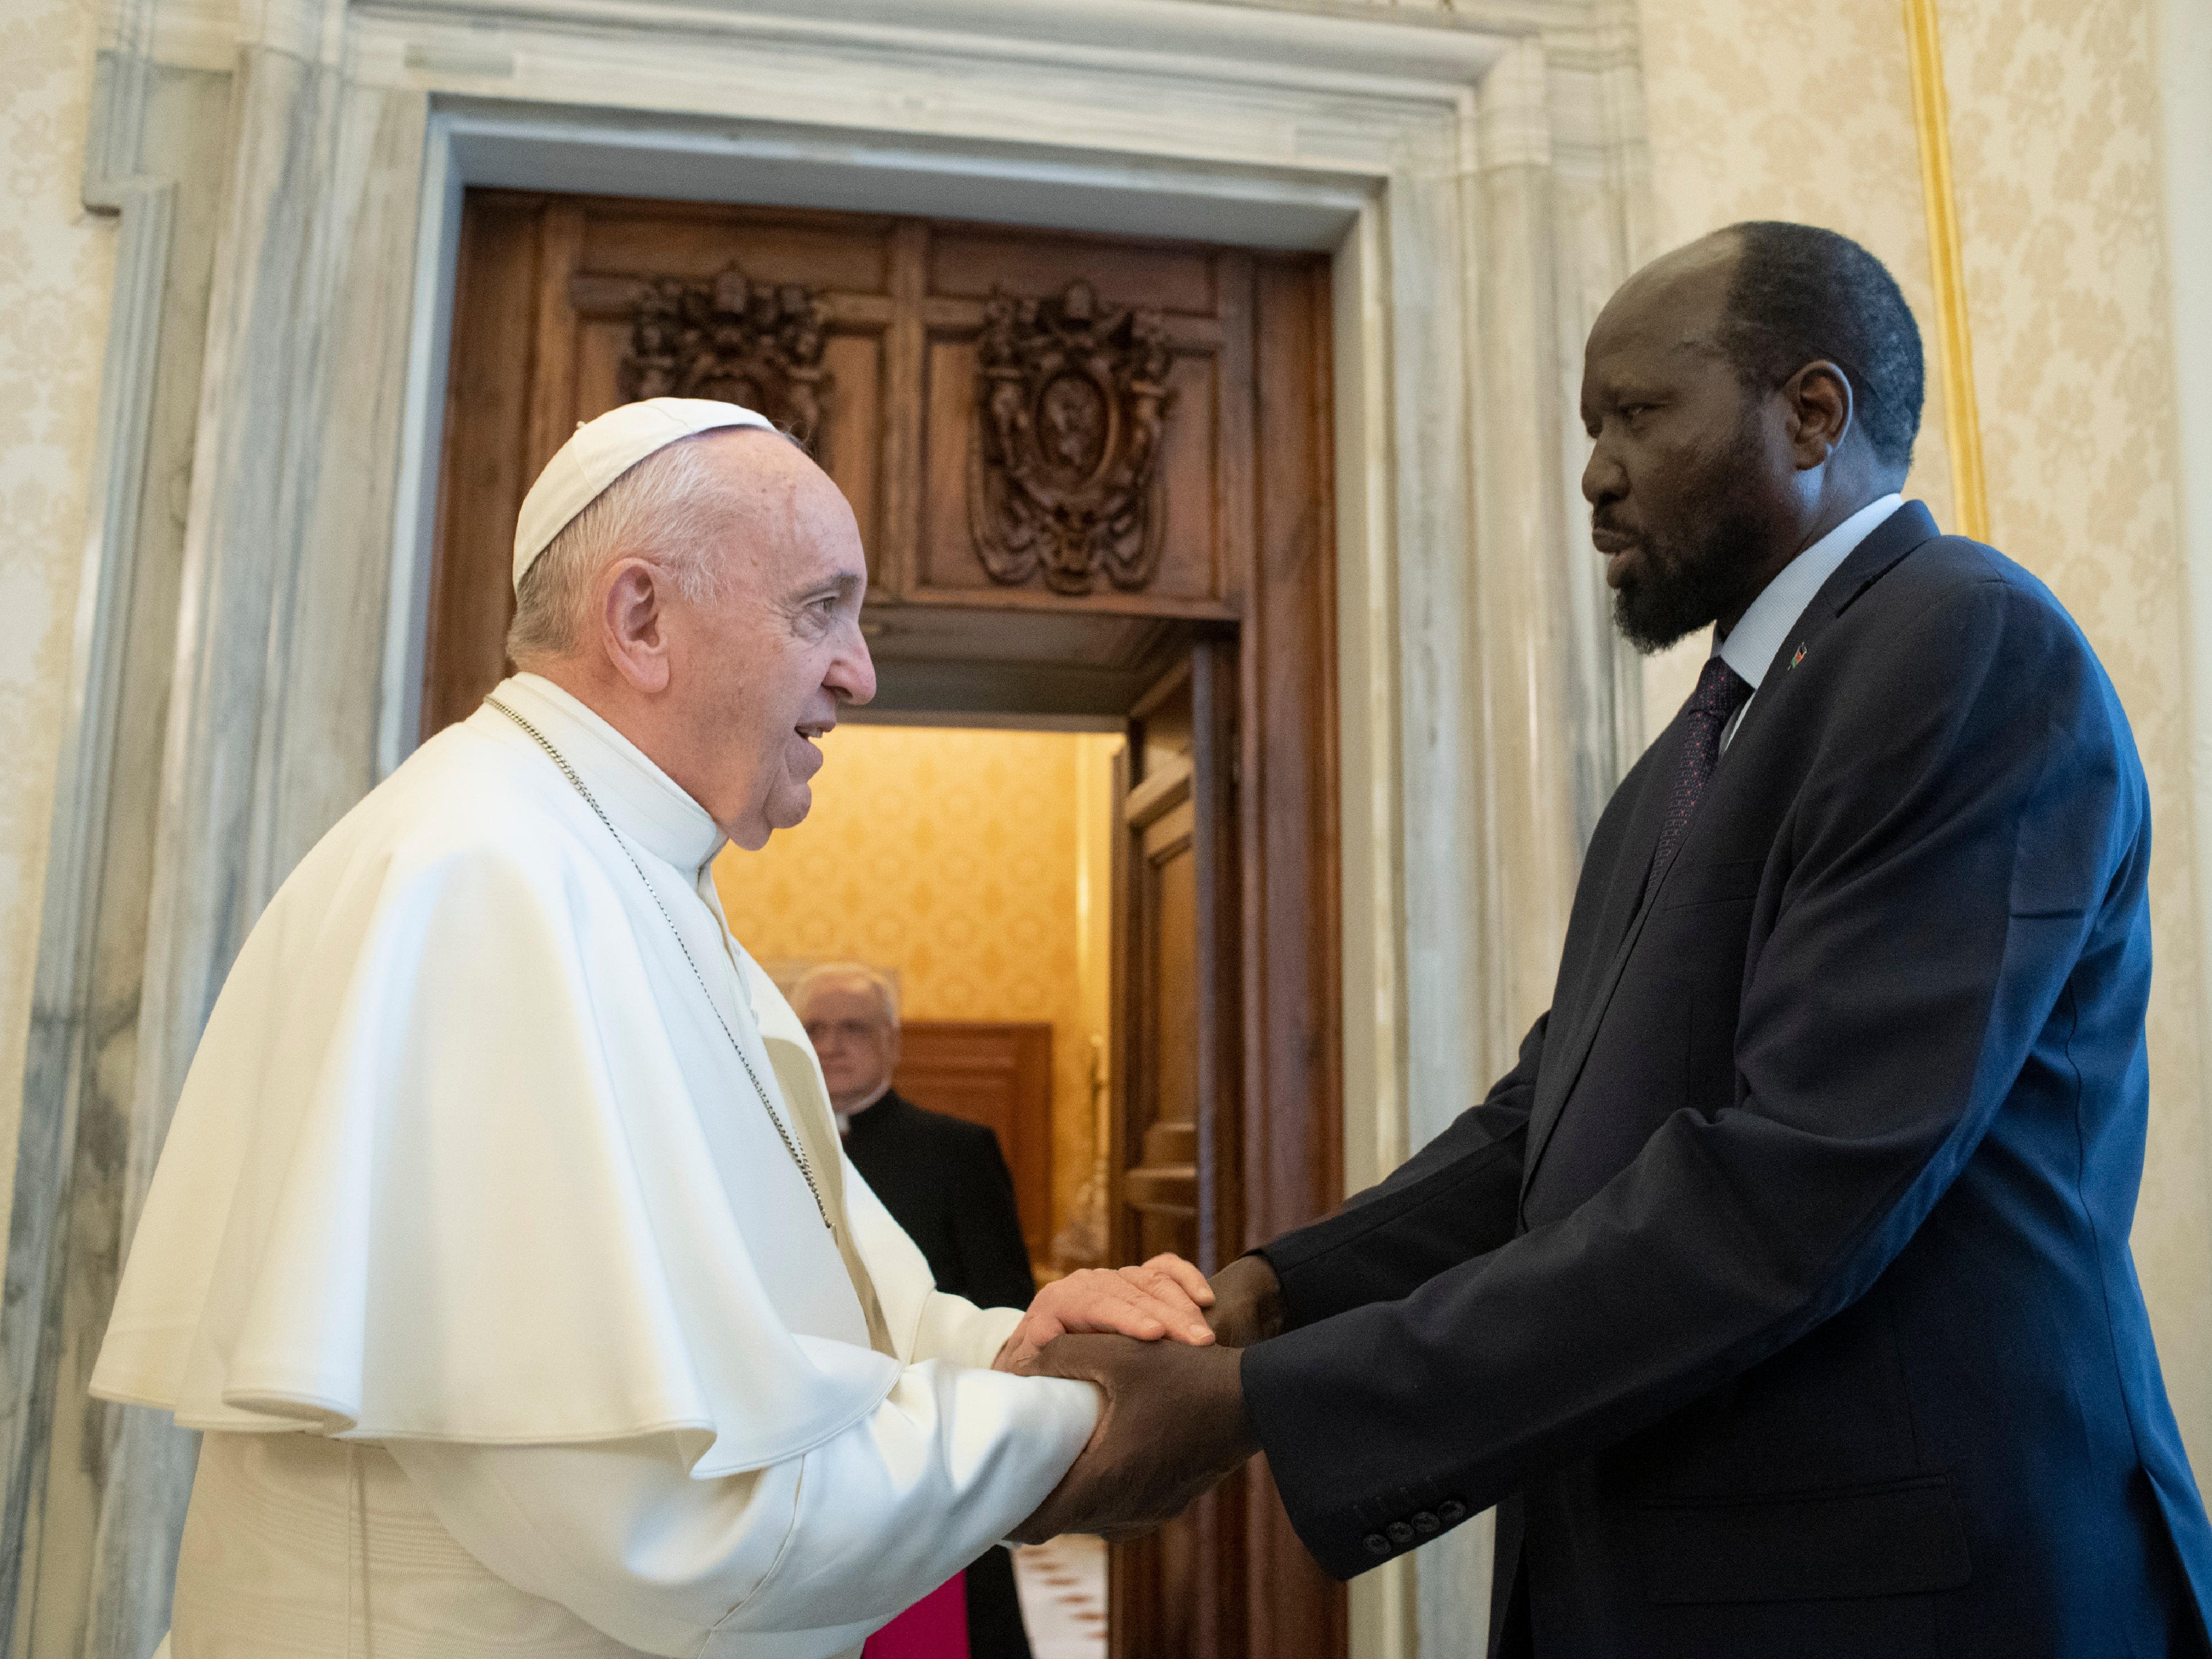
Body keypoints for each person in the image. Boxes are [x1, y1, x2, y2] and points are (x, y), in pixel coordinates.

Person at [1014, 223, 2212, 1657]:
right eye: (1590, 425)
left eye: (1636, 415)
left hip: (1902, 1592)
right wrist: (1263, 1300)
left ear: (1810, 415)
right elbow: (1547, 1124)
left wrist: (1264, 1404)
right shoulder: (1695, 750)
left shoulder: (1963, 648)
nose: (1591, 473)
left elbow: (1792, 1186)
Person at [89, 398, 1217, 1658]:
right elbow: (667, 1516)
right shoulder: (486, 879)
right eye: (820, 609)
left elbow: (802, 1320)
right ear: (638, 621)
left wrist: (1016, 1343)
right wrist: (1080, 1427)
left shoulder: (629, 875)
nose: (860, 670)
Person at [794, 961, 1042, 1659]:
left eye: (853, 1028)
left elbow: (1005, 1302)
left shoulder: (957, 1152)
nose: (831, 1043)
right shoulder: (771, 1153)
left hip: (935, 1442)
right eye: (814, 1027)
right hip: (809, 1451)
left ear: (893, 1044)